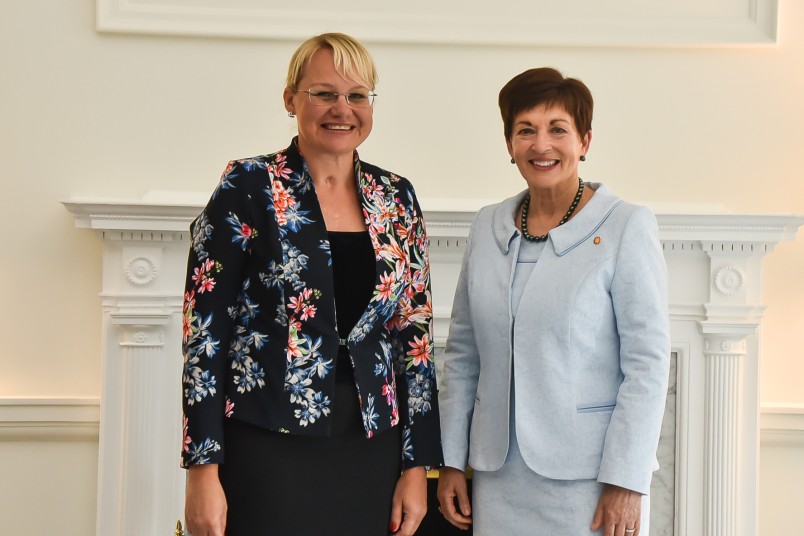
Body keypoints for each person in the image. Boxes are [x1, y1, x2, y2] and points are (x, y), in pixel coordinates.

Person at [181, 32, 442, 536]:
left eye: (357, 95)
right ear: (290, 99)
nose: (341, 108)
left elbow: (415, 337)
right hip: (265, 441)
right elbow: (204, 334)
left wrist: (416, 467)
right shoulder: (248, 186)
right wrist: (201, 469)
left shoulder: (396, 196)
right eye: (324, 93)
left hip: (371, 443)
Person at [436, 67, 670, 536]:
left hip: (589, 481)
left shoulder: (627, 226)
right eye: (526, 131)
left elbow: (646, 363)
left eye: (557, 130)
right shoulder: (487, 226)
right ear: (509, 145)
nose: (541, 145)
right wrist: (451, 462)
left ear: (584, 140)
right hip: (496, 478)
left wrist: (627, 480)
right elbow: (463, 356)